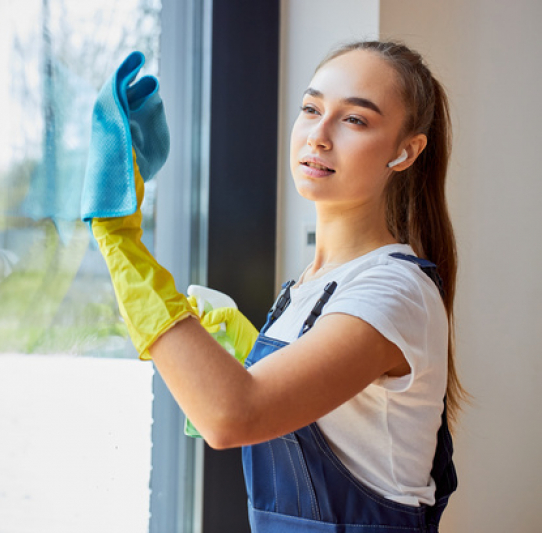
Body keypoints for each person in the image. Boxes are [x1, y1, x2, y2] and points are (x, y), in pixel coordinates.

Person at [88, 40, 464, 531]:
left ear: (405, 151)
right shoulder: (309, 286)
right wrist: (240, 349)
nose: (319, 136)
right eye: (311, 109)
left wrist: (119, 239)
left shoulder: (394, 290)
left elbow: (230, 415)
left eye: (354, 119)